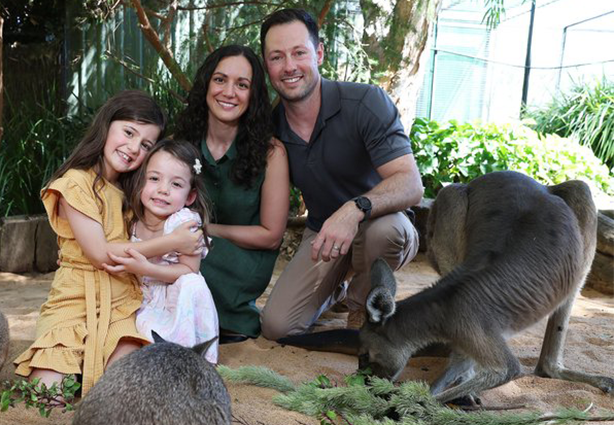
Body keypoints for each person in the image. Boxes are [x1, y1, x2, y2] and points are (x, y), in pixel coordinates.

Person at [12, 90, 201, 395]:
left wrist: (188, 233)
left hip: (121, 304)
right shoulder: (75, 182)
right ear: (107, 125)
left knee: (119, 389)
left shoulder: (135, 193)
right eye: (128, 132)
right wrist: (171, 242)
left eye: (145, 145)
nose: (132, 148)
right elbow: (100, 253)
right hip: (73, 299)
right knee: (47, 396)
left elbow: (171, 206)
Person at [258, 9, 423, 339]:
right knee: (278, 327)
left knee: (384, 234)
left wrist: (355, 209)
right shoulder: (269, 126)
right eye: (277, 57)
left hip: (383, 223)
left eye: (299, 53)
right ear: (267, 66)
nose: (289, 66)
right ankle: (338, 285)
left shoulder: (365, 102)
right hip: (323, 234)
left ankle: (362, 309)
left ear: (318, 53)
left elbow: (410, 183)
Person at [174, 45, 290, 343]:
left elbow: (271, 235)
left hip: (240, 261)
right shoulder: (181, 142)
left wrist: (205, 230)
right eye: (220, 80)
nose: (229, 92)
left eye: (242, 85)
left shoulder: (271, 152)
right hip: (183, 248)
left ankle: (227, 318)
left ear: (253, 96)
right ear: (206, 84)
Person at [104, 139, 219, 364]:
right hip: (144, 298)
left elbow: (189, 270)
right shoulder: (130, 220)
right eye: (154, 179)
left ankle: (189, 357)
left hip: (175, 297)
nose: (163, 190)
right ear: (140, 182)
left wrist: (147, 268)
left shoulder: (182, 223)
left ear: (190, 196)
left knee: (192, 284)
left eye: (176, 184)